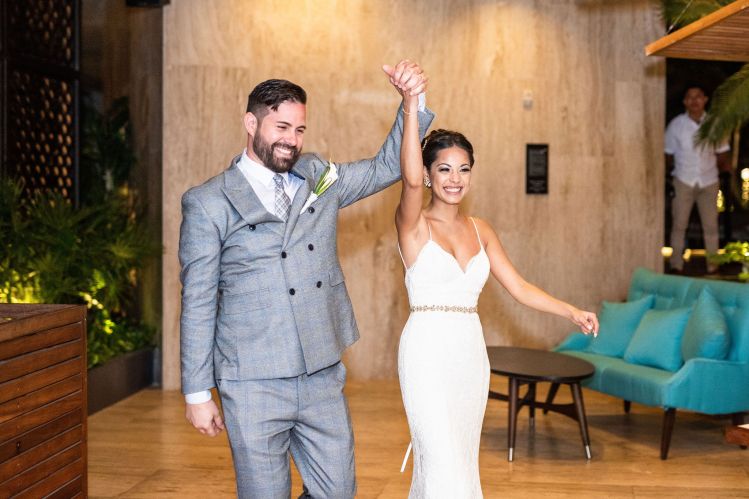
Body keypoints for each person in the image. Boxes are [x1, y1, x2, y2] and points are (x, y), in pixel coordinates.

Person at [178, 61, 433, 498]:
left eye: (299, 130)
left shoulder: (318, 176)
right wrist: (197, 392)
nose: (291, 140)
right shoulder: (208, 202)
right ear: (251, 123)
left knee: (338, 491)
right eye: (281, 127)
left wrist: (412, 103)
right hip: (252, 379)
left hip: (320, 374)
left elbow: (386, 167)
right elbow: (197, 301)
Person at [391, 80, 599, 497]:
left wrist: (571, 311)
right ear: (428, 175)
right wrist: (411, 106)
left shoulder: (480, 229)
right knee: (441, 463)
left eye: (464, 169)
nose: (455, 179)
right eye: (444, 169)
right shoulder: (413, 225)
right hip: (425, 353)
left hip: (470, 354)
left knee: (461, 463)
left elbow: (518, 287)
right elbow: (409, 184)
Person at [665, 84, 731, 274]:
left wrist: (723, 172)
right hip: (683, 180)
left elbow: (722, 152)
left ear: (705, 99)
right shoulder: (676, 125)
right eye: (690, 97)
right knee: (679, 224)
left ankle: (713, 266)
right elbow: (668, 153)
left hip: (709, 181)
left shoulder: (715, 124)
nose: (694, 101)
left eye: (698, 96)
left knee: (711, 226)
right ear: (685, 101)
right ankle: (676, 265)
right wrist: (670, 175)